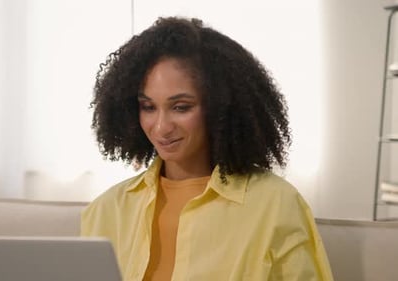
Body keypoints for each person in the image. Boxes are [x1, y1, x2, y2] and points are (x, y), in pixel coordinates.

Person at [82, 16, 333, 281]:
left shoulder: (276, 205)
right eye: (148, 107)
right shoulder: (105, 210)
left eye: (181, 107)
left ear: (220, 107)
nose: (161, 127)